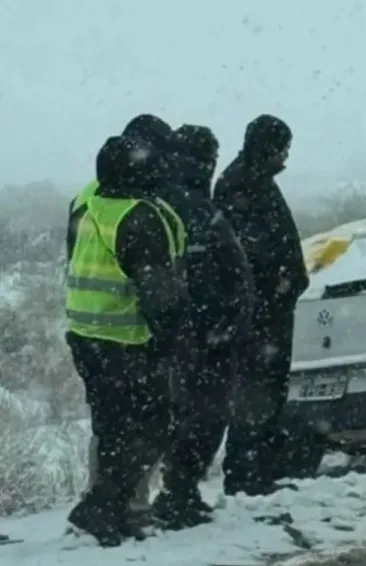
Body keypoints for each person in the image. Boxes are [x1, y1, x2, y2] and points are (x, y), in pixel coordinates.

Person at [64, 136, 191, 546]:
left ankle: (107, 509)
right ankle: (101, 506)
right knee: (156, 424)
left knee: (113, 427)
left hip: (86, 335)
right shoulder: (141, 217)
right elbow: (159, 293)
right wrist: (174, 341)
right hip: (127, 339)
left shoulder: (86, 200)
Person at [151, 124, 255, 529]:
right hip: (207, 337)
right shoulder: (199, 208)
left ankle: (172, 492)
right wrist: (230, 326)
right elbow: (235, 272)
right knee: (205, 417)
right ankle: (179, 493)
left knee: (173, 415)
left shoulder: (155, 202)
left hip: (166, 337)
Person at [213, 114, 309, 496]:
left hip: (270, 312)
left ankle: (260, 471)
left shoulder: (256, 181)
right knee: (255, 394)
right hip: (259, 315)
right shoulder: (241, 184)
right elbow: (245, 252)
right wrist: (277, 280)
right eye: (282, 147)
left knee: (268, 393)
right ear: (267, 146)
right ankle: (246, 474)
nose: (286, 156)